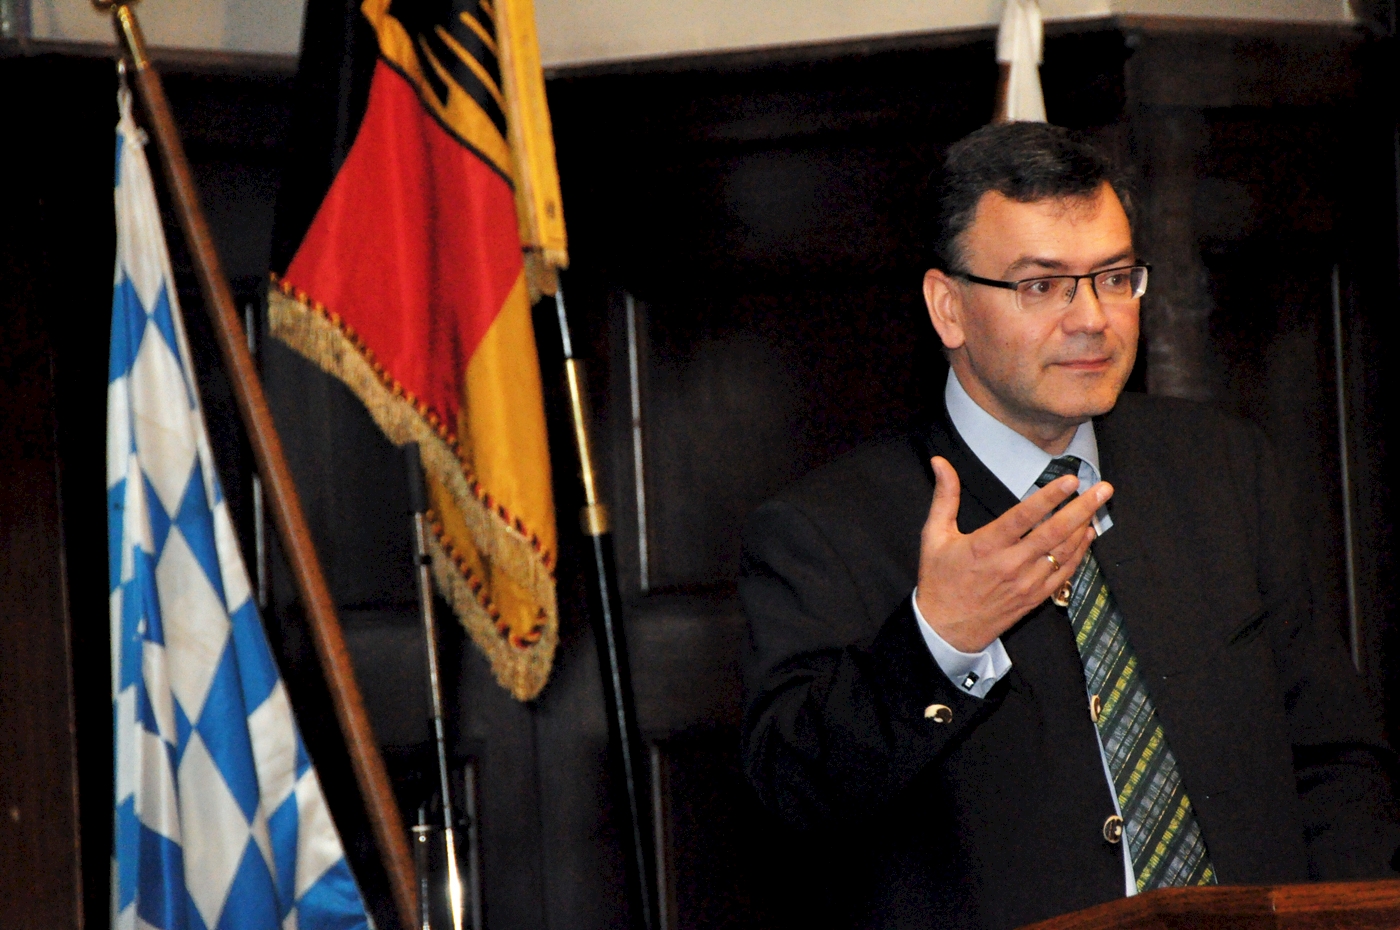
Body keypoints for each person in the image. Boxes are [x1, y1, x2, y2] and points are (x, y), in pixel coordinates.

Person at [739, 122, 1400, 930]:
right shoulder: (825, 530)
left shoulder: (1225, 468)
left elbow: (1334, 759)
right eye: (1042, 286)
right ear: (949, 308)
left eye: (1114, 278)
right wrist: (938, 640)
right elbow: (793, 797)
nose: (1092, 319)